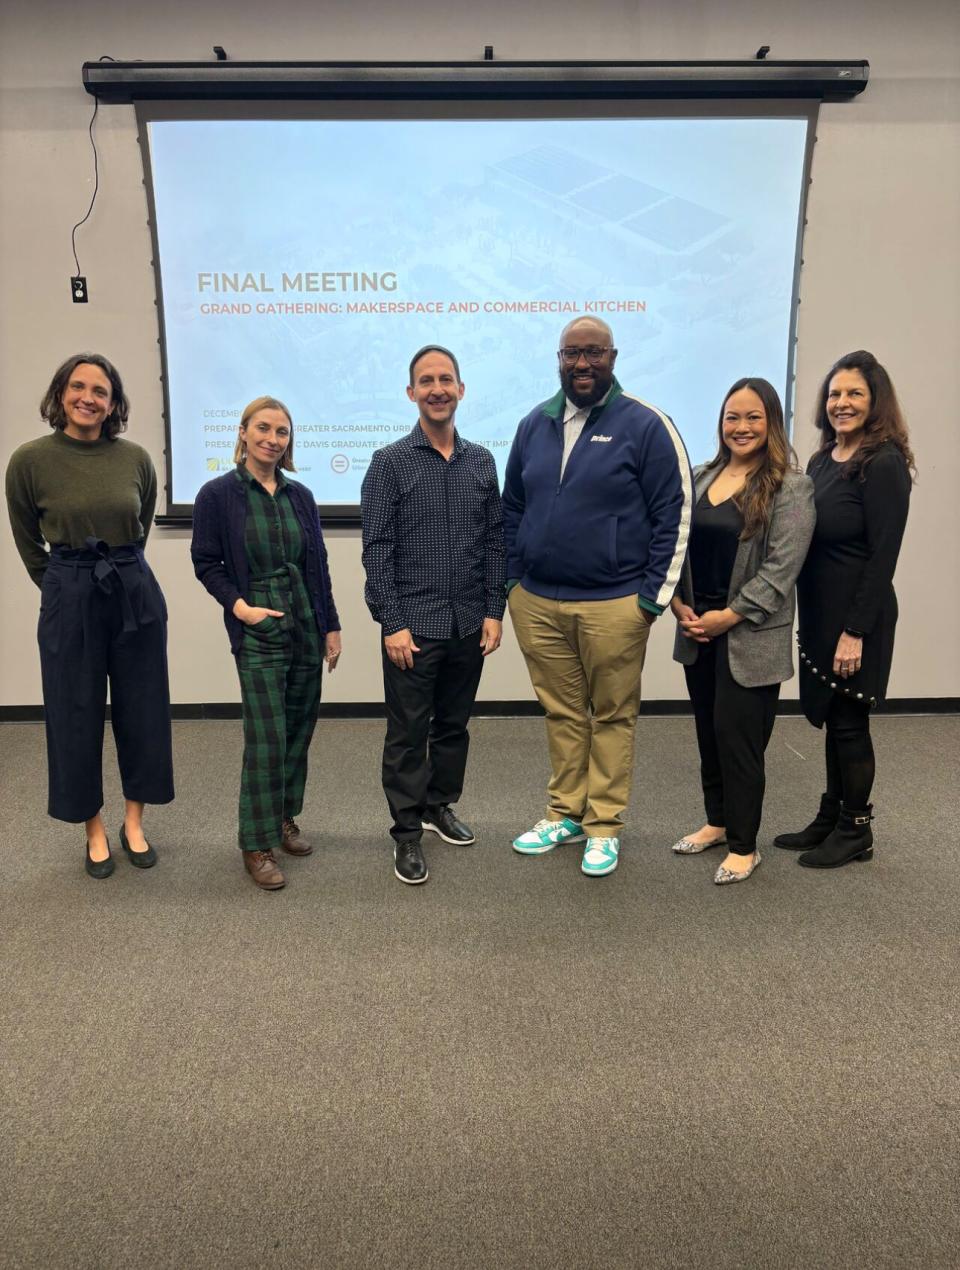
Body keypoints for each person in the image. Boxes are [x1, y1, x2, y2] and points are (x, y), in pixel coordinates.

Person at [504, 317, 692, 877]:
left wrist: (650, 601)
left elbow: (674, 514)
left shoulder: (647, 425)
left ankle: (604, 825)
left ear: (612, 357)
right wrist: (513, 583)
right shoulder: (532, 424)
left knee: (611, 715)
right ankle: (564, 813)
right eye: (571, 354)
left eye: (593, 353)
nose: (581, 364)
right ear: (558, 360)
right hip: (537, 602)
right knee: (562, 713)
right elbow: (512, 507)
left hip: (615, 604)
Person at [5, 352, 174, 878]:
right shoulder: (30, 461)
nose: (88, 398)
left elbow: (139, 525)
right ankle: (94, 828)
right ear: (60, 395)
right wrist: (62, 586)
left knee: (142, 708)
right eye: (78, 387)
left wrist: (114, 572)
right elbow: (28, 540)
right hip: (70, 587)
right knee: (74, 712)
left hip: (132, 584)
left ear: (114, 403)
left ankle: (134, 822)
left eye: (100, 391)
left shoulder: (137, 459)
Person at [361, 345, 505, 885]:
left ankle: (440, 805)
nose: (438, 389)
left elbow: (494, 543)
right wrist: (390, 622)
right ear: (412, 393)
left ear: (461, 389)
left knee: (453, 728)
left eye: (446, 379)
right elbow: (377, 550)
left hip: (468, 622)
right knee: (406, 735)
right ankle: (405, 834)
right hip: (412, 629)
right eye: (427, 381)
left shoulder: (482, 462)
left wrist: (494, 611)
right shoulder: (389, 463)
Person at [191, 396, 341, 891]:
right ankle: (254, 843)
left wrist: (330, 626)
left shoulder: (301, 496)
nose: (272, 439)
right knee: (267, 736)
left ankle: (283, 819)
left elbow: (317, 564)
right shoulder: (218, 494)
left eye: (282, 431)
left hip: (303, 622)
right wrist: (240, 608)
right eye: (263, 428)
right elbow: (206, 562)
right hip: (258, 627)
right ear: (242, 432)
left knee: (298, 727)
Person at [670, 378, 815, 884]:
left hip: (747, 633)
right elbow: (677, 548)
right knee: (708, 734)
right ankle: (717, 821)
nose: (742, 427)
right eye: (733, 416)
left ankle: (744, 845)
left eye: (753, 417)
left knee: (740, 741)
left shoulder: (789, 486)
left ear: (771, 421)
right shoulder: (701, 475)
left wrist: (728, 616)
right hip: (697, 629)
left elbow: (782, 568)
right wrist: (679, 606)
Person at [775, 350, 914, 868]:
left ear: (875, 400)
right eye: (835, 394)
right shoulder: (821, 459)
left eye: (854, 393)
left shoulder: (884, 464)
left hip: (859, 618)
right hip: (820, 615)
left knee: (851, 723)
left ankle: (856, 829)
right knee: (833, 719)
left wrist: (855, 630)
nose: (842, 403)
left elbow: (884, 556)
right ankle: (831, 814)